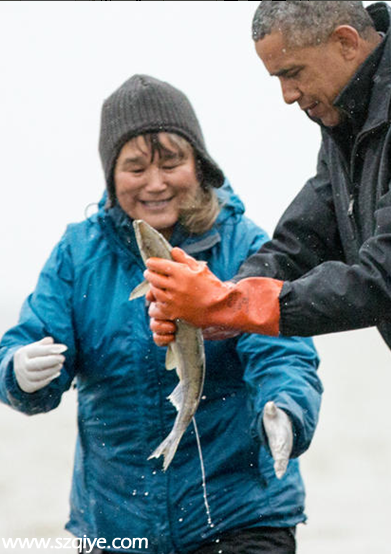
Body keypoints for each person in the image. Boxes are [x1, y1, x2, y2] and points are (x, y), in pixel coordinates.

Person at [143, 2, 391, 552]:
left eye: (292, 73)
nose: (286, 95)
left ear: (346, 42)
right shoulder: (350, 120)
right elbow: (301, 240)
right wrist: (220, 299)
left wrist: (236, 309)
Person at [0, 74, 322, 554]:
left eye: (172, 162)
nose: (156, 184)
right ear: (110, 176)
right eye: (135, 168)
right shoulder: (78, 254)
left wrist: (287, 411)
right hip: (115, 529)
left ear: (200, 165)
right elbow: (31, 346)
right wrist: (19, 372)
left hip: (240, 519)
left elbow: (281, 354)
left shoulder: (245, 247)